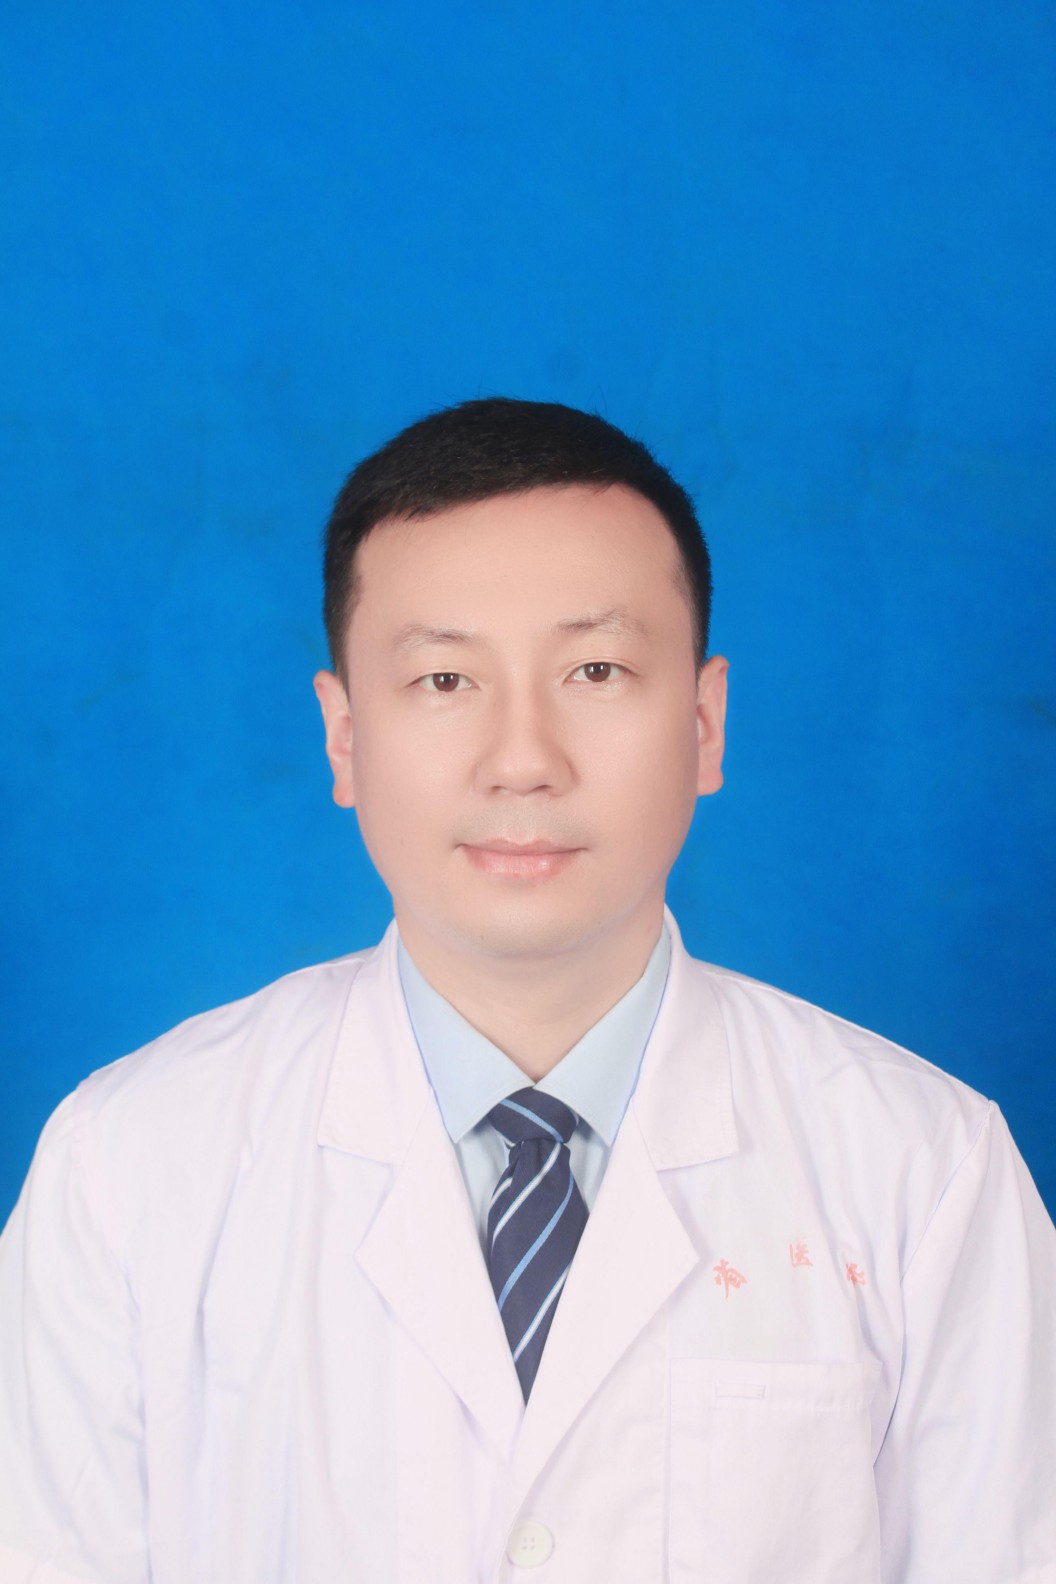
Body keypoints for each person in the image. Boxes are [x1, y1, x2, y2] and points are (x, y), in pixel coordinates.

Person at [1, 397, 1053, 1584]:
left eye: (596, 670)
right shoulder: (127, 1168)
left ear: (704, 723)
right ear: (343, 738)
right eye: (445, 679)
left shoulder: (925, 1172)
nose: (521, 760)